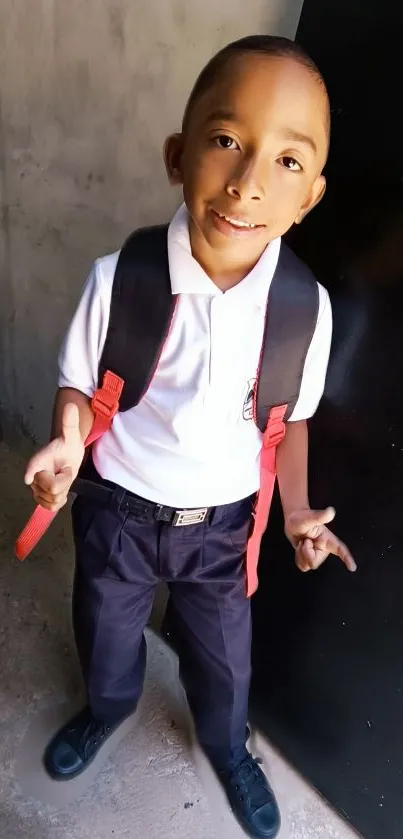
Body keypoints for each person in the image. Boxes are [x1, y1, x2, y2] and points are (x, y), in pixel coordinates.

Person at [24, 35, 355, 839]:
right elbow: (81, 380)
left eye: (284, 161)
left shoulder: (302, 310)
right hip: (117, 508)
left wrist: (297, 511)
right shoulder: (121, 278)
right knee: (104, 631)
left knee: (223, 659)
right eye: (224, 141)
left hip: (220, 528)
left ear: (309, 195)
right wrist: (69, 438)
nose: (245, 183)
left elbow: (291, 420)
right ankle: (107, 709)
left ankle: (224, 743)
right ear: (179, 154)